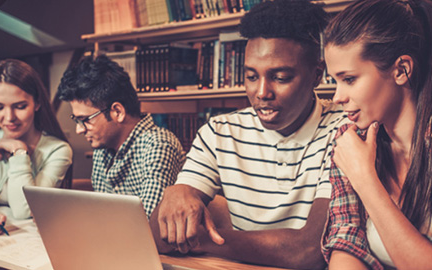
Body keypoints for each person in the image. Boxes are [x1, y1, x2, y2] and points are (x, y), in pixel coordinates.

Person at [149, 0, 348, 268]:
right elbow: (158, 235)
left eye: (280, 77)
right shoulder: (218, 133)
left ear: (316, 75)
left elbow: (309, 249)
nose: (261, 92)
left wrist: (201, 240)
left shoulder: (344, 130)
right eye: (251, 76)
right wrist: (177, 192)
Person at [321, 0, 432, 269]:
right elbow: (345, 243)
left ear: (400, 70)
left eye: (349, 79)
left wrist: (364, 178)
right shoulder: (350, 140)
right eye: (334, 80)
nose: (337, 97)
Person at [57, 55, 185, 218]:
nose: (79, 130)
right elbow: (103, 216)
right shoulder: (103, 147)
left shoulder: (159, 145)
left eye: (85, 120)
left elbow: (147, 224)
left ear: (117, 112)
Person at [0, 59, 73, 235]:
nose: (9, 117)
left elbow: (25, 211)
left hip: (29, 243)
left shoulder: (57, 150)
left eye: (20, 107)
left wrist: (19, 153)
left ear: (37, 103)